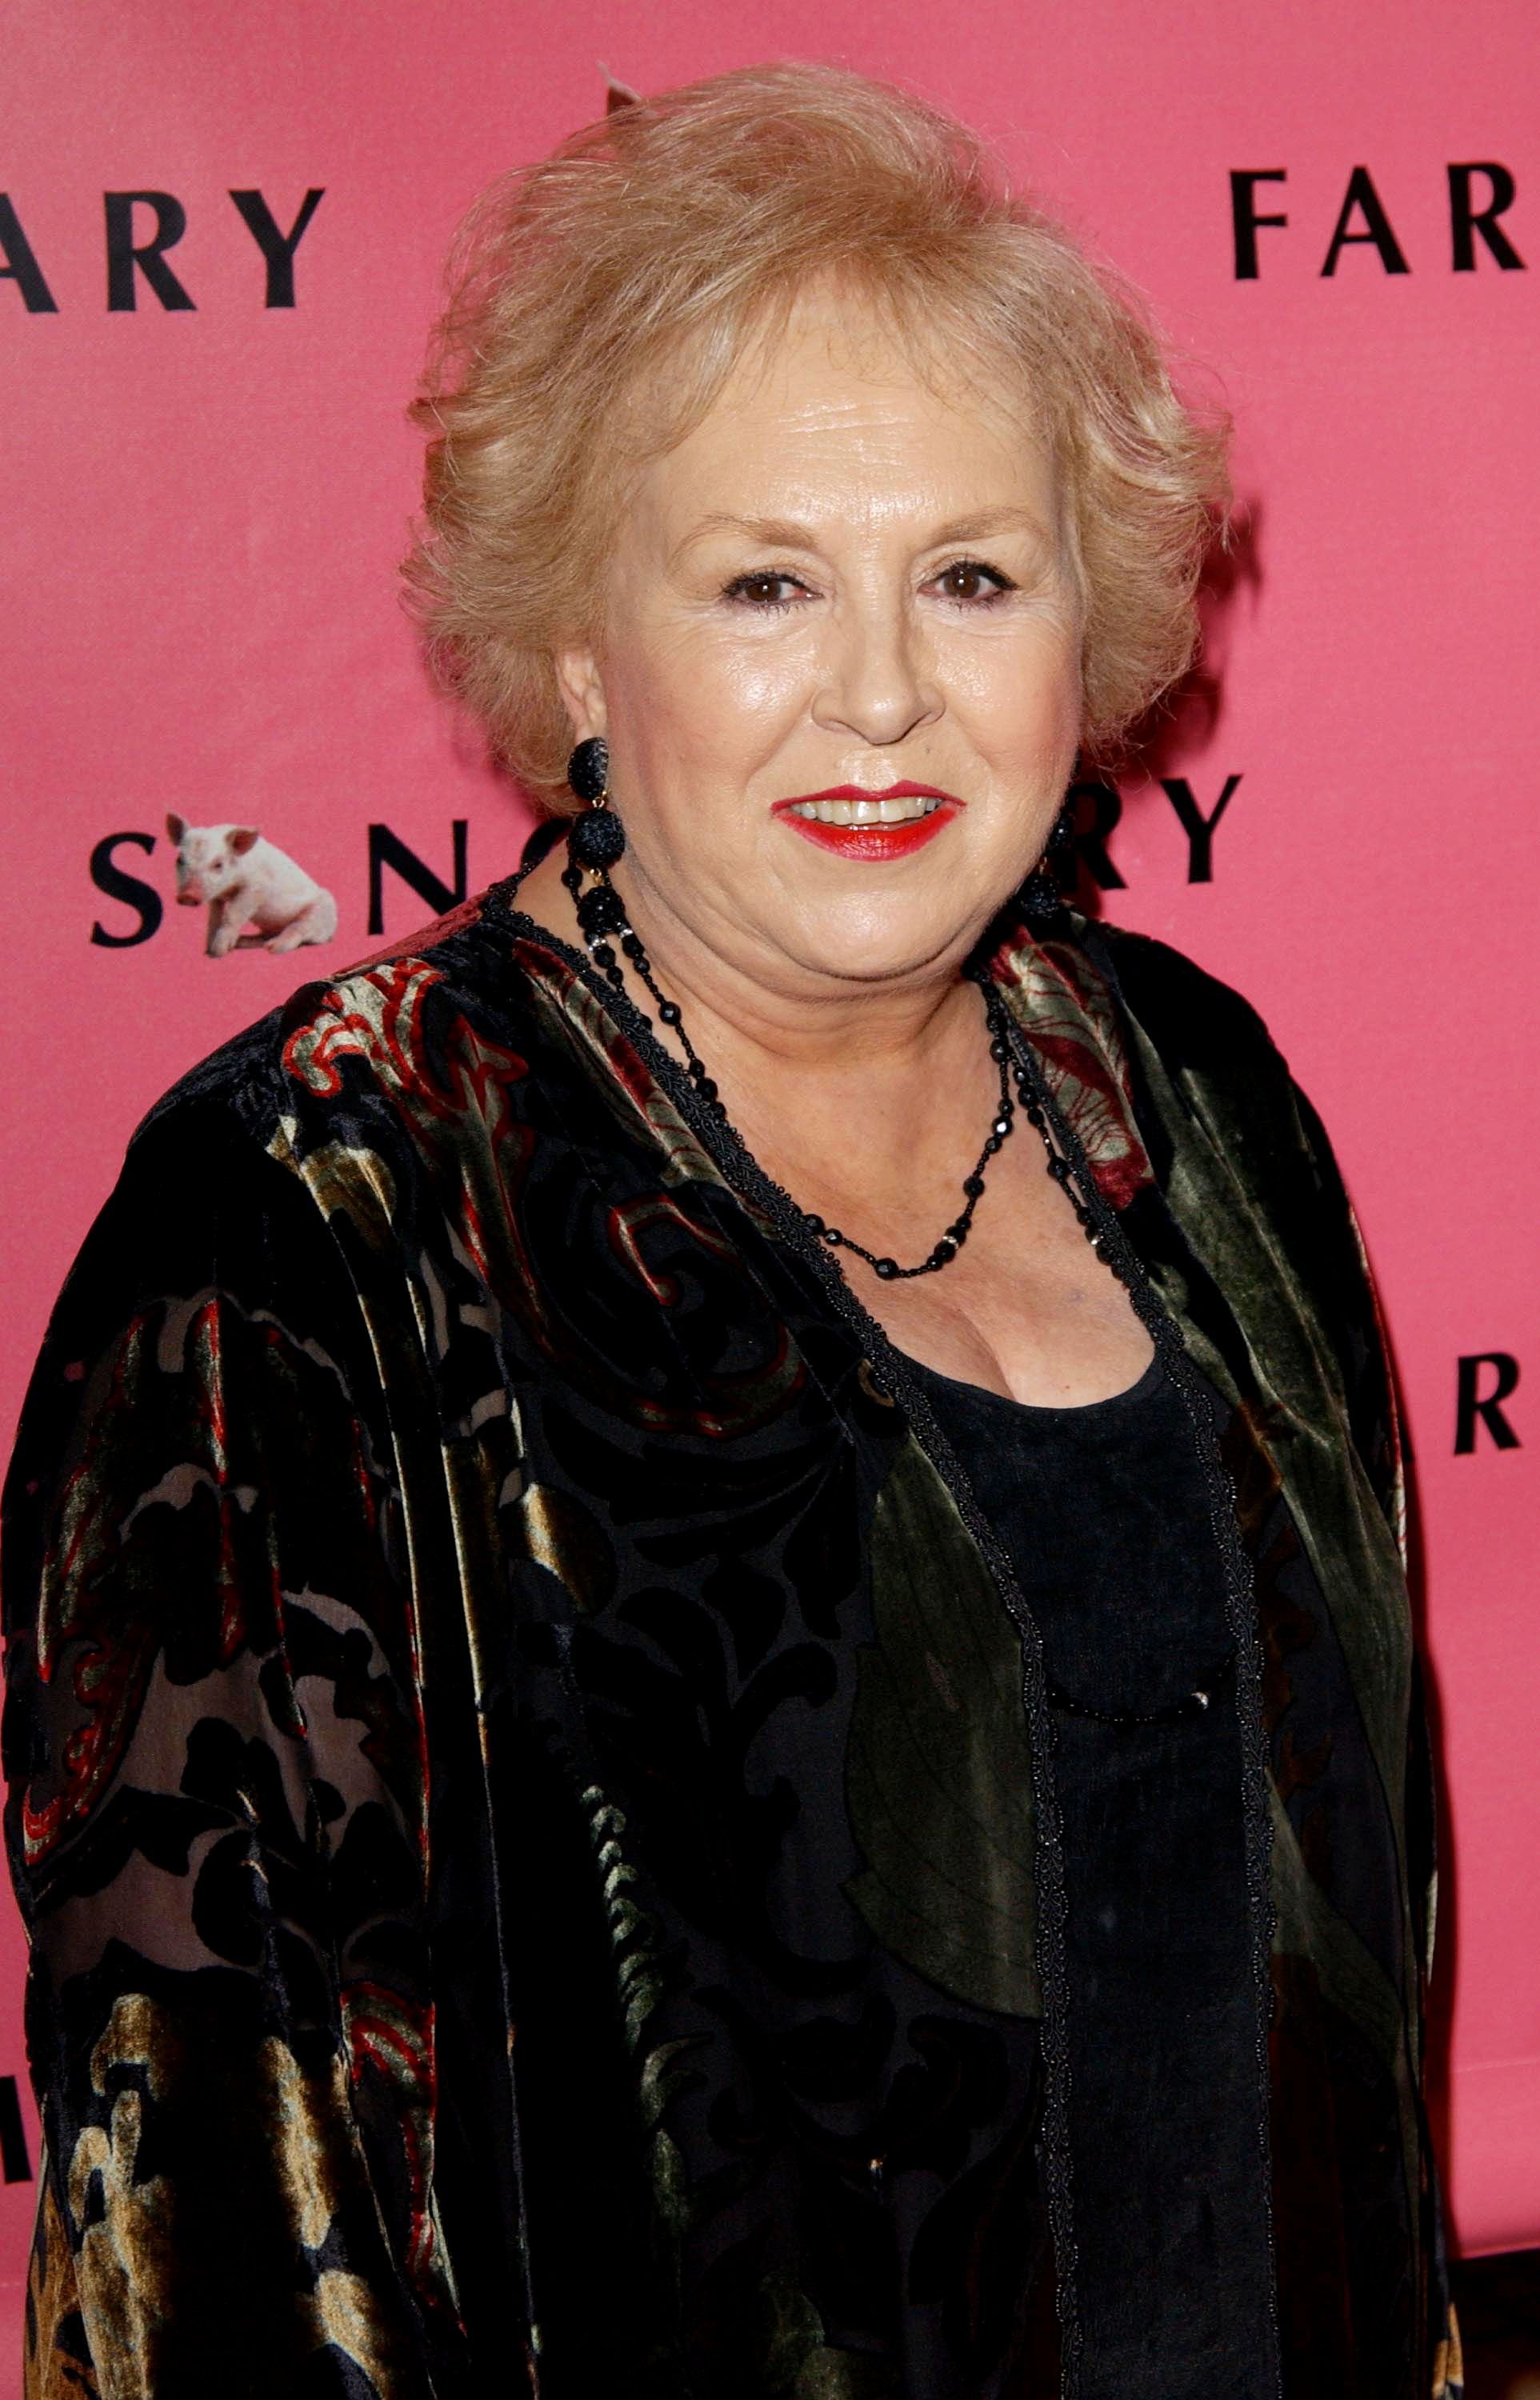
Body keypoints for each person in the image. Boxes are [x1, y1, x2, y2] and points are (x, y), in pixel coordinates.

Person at [2, 62, 1461, 2400]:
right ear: (584, 645)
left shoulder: (1196, 1110)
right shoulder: (314, 1222)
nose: (879, 691)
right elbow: (225, 2236)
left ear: (1084, 629)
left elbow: (1361, 1981)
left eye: (969, 578)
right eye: (766, 580)